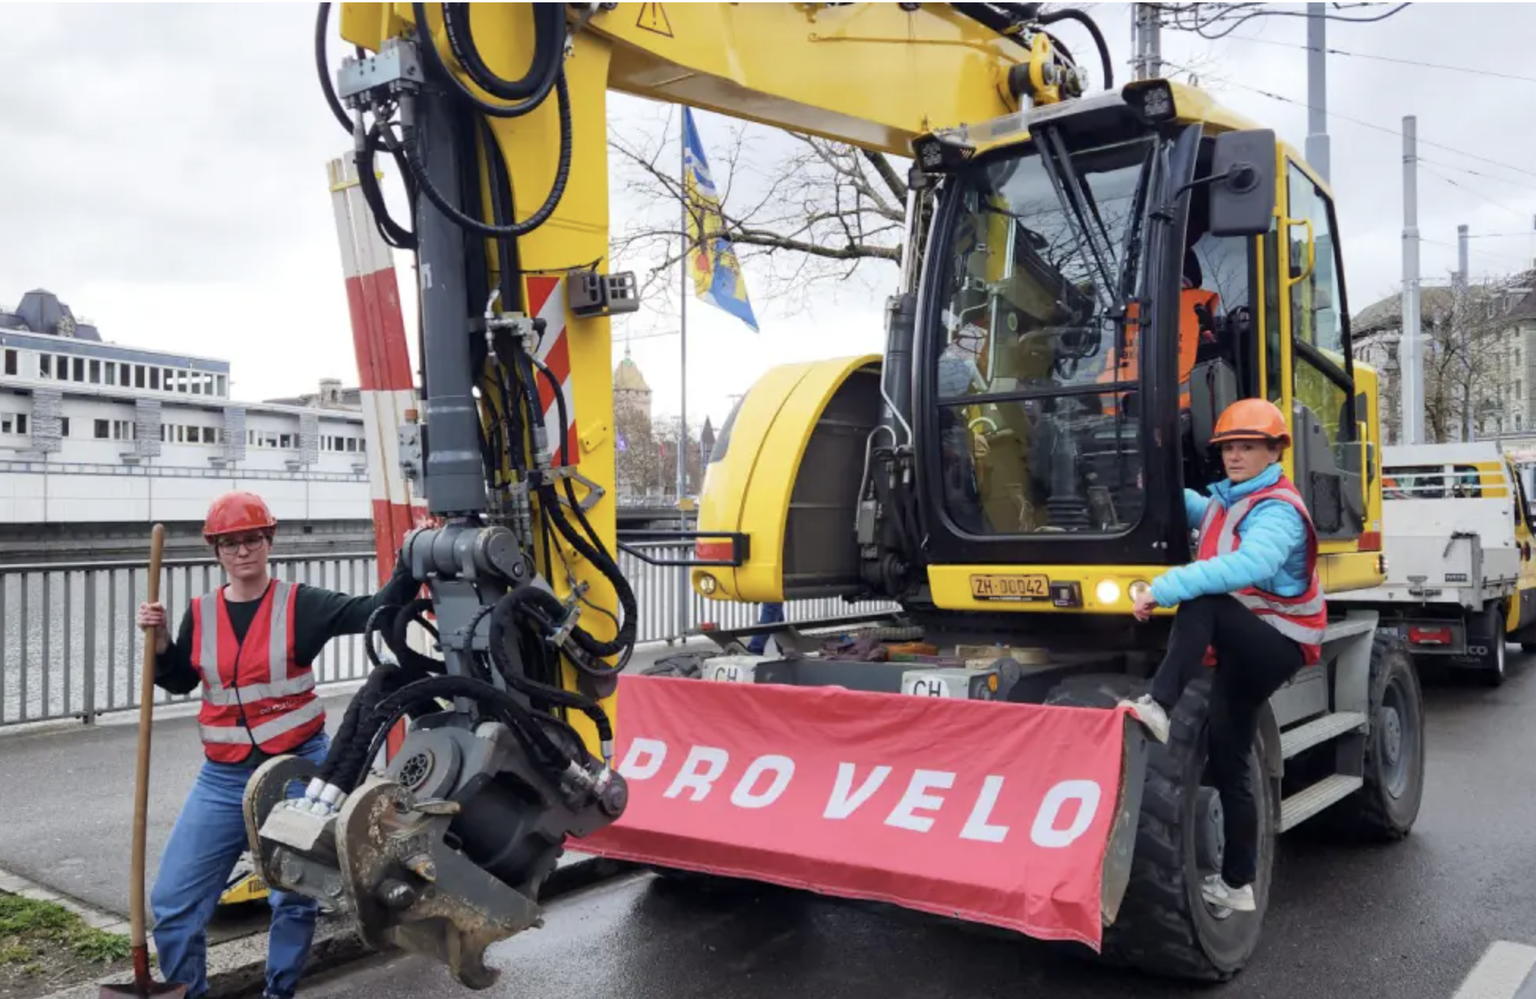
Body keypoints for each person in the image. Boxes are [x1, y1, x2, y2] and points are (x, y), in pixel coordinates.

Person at [136, 490, 418, 999]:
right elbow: (179, 680)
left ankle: (279, 992)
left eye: (252, 539)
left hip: (297, 769)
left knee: (293, 896)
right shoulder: (199, 613)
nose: (242, 551)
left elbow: (375, 609)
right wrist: (160, 648)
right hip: (222, 780)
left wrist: (414, 560)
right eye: (229, 543)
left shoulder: (301, 604)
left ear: (269, 541)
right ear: (215, 550)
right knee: (173, 904)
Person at [1118, 398, 1327, 915]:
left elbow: (1247, 564)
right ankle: (1238, 884)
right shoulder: (1232, 498)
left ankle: (1159, 705)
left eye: (1248, 447)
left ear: (1274, 451)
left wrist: (1163, 587)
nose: (1235, 456)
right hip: (1255, 640)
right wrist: (1149, 484)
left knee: (1203, 597)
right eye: (1229, 447)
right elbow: (1199, 507)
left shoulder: (1277, 508)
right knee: (1231, 759)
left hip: (1279, 639)